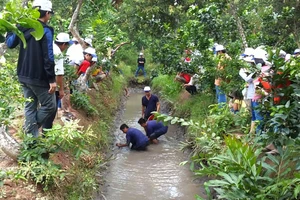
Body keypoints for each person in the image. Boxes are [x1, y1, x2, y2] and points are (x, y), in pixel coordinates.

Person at [6, 0, 56, 137]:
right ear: (46, 13)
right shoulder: (45, 30)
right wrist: (52, 79)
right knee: (50, 106)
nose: (49, 17)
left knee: (30, 106)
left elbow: (10, 44)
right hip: (39, 77)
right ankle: (29, 131)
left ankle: (31, 139)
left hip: (23, 74)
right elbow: (49, 57)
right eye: (49, 14)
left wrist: (11, 27)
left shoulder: (23, 27)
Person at [42, 33, 71, 132]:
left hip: (38, 80)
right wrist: (61, 90)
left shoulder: (48, 46)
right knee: (51, 108)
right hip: (49, 83)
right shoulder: (58, 53)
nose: (66, 47)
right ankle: (46, 131)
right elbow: (59, 75)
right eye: (66, 45)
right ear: (63, 44)